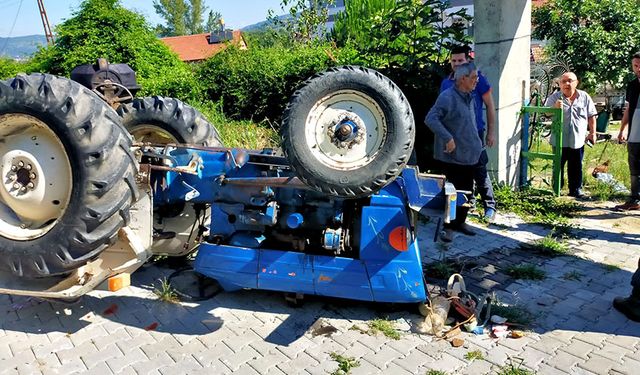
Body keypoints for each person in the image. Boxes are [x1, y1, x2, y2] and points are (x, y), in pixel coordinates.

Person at [426, 62, 483, 242]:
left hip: (470, 154)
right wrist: (448, 137)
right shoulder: (447, 97)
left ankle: (461, 222)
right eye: (473, 77)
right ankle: (448, 228)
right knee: (453, 193)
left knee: (467, 191)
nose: (477, 80)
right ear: (462, 79)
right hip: (454, 157)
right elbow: (431, 119)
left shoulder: (469, 96)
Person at [440, 46, 497, 222]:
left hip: (475, 134)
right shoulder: (446, 82)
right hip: (454, 136)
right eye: (454, 61)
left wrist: (491, 133)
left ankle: (490, 207)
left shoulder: (478, 80)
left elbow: (490, 106)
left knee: (479, 170)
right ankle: (465, 205)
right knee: (457, 172)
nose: (457, 64)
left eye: (460, 61)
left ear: (468, 61)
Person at [544, 72, 597, 198]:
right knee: (558, 165)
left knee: (576, 165)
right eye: (563, 81)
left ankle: (575, 189)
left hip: (577, 139)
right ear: (560, 84)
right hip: (559, 139)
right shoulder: (554, 97)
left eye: (570, 81)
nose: (567, 84)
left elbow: (591, 115)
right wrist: (554, 108)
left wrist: (593, 133)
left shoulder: (584, 97)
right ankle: (556, 189)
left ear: (576, 82)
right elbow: (546, 113)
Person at [615, 52, 640, 211]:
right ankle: (634, 200)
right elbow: (628, 108)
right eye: (635, 66)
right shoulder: (632, 85)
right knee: (635, 167)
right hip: (635, 134)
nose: (638, 69)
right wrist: (623, 130)